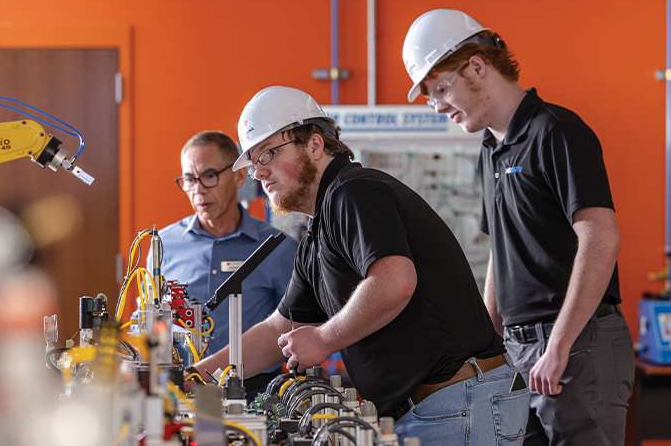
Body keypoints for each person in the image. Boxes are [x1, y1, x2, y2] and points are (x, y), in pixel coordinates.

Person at [188, 86, 530, 445]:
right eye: (254, 162)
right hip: (435, 407)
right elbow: (280, 328)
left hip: (458, 400)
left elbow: (395, 281)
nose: (259, 173)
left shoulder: (354, 192)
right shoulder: (317, 232)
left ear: (315, 145)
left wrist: (324, 338)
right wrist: (199, 374)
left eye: (269, 154)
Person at [402, 9, 635, 445]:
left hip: (576, 343)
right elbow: (501, 254)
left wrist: (559, 345)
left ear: (476, 66)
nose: (438, 106)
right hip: (519, 347)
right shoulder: (490, 149)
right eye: (431, 96)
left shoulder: (556, 131)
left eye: (441, 89)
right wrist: (487, 346)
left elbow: (600, 237)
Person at [147, 131, 297, 398]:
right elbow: (147, 321)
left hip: (256, 392)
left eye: (209, 176)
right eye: (190, 180)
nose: (199, 190)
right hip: (184, 391)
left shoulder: (278, 248)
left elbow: (296, 328)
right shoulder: (164, 246)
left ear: (239, 175)